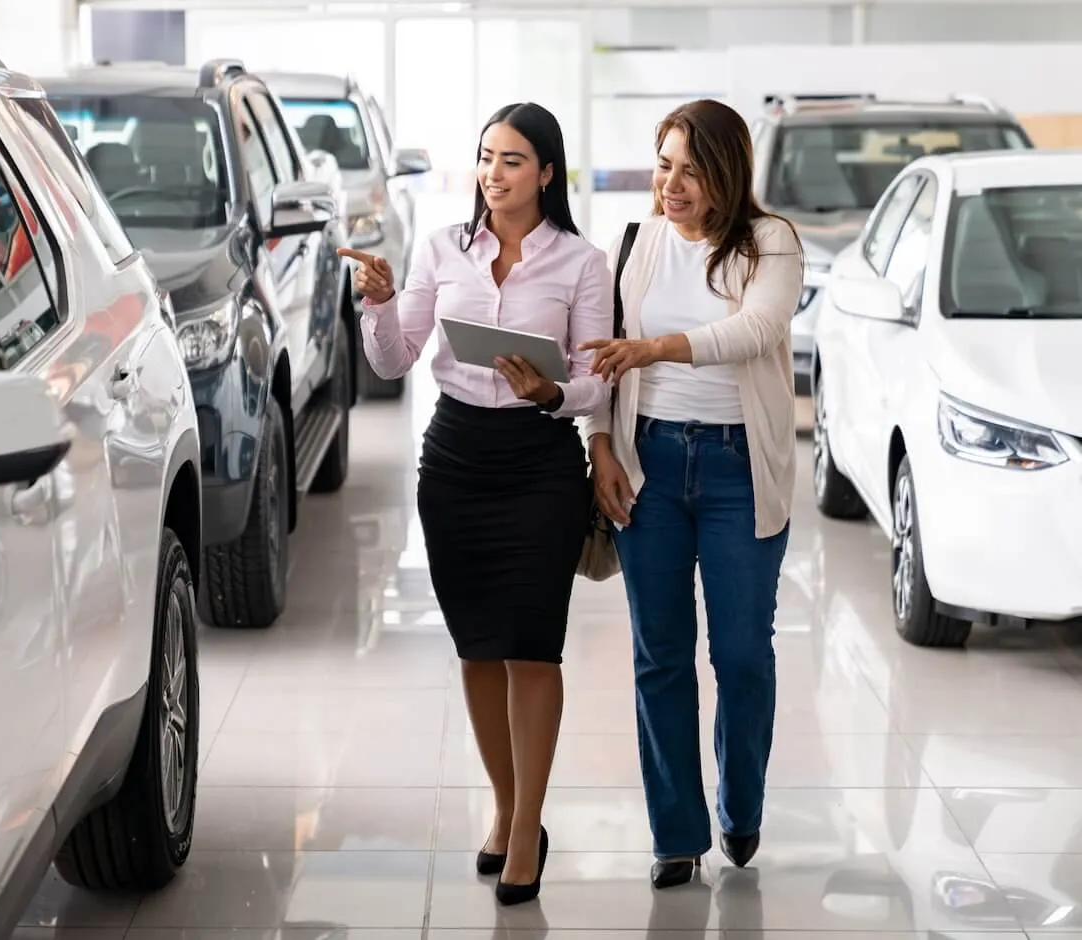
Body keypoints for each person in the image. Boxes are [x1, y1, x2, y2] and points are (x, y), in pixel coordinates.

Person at [340, 102, 612, 907]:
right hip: (456, 461)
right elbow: (395, 361)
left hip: (539, 463)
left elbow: (597, 379)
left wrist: (555, 391)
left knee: (533, 647)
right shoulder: (441, 249)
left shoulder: (581, 263)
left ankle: (527, 828)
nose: (494, 173)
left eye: (514, 160)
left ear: (548, 174)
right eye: (487, 157)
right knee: (477, 648)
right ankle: (503, 804)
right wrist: (380, 304)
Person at [578, 98, 804, 889]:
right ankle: (677, 834)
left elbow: (757, 330)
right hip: (653, 465)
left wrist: (661, 346)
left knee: (742, 655)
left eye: (690, 170)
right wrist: (601, 445)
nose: (671, 184)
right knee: (661, 655)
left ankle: (740, 807)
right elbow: (606, 359)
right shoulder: (634, 244)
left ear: (726, 175)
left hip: (742, 469)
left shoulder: (768, 242)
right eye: (664, 164)